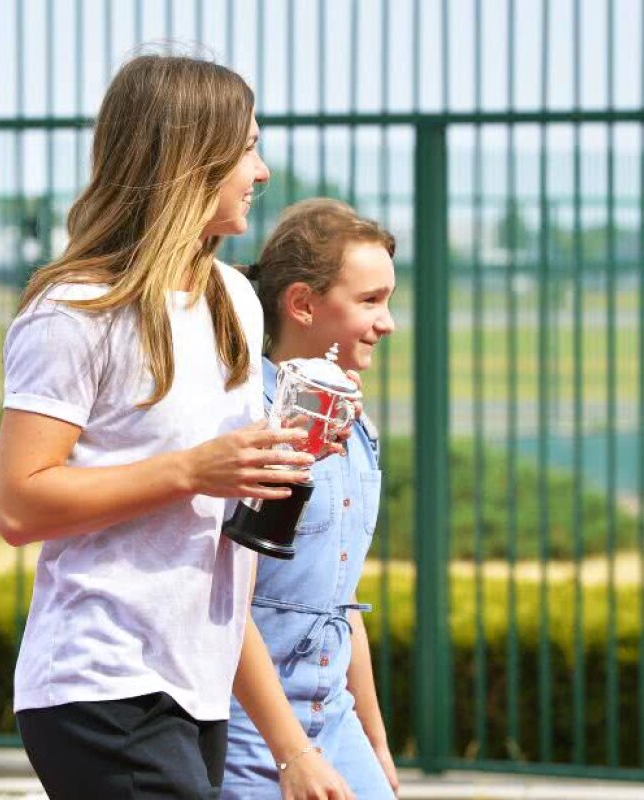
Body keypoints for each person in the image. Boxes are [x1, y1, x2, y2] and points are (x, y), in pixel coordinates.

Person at [0, 54, 354, 799]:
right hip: (99, 683)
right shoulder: (74, 311)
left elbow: (221, 556)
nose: (263, 170)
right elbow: (19, 505)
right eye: (248, 147)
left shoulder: (232, 300)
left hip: (196, 688)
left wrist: (290, 749)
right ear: (192, 160)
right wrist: (194, 470)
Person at [222, 198, 399, 799]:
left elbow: (341, 602)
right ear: (302, 303)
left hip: (335, 721)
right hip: (249, 729)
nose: (388, 322)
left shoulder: (356, 427)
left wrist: (372, 745)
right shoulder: (253, 420)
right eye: (370, 301)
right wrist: (290, 751)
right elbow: (225, 601)